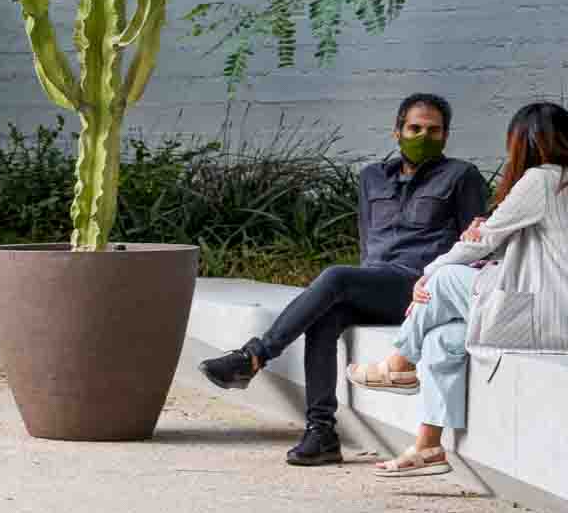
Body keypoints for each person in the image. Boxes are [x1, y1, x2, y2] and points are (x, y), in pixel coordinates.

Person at [198, 93, 491, 465]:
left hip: (420, 289)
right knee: (325, 316)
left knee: (336, 278)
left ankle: (254, 356)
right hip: (376, 283)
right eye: (415, 128)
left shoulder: (461, 176)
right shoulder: (372, 177)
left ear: (446, 136)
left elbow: (474, 246)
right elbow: (368, 239)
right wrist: (361, 285)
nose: (424, 136)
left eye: (434, 130)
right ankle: (320, 432)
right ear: (397, 132)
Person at [350, 99, 568, 478]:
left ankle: (398, 363)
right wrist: (483, 235)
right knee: (443, 339)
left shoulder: (541, 179)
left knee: (444, 279)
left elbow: (481, 243)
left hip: (550, 318)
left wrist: (427, 274)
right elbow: (541, 248)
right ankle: (429, 447)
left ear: (525, 143)